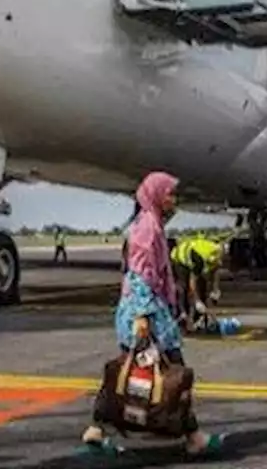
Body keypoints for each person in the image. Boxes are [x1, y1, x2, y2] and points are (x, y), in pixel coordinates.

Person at [80, 172, 225, 457]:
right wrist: (143, 317)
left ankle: (97, 428)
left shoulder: (151, 224)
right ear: (157, 195)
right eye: (169, 194)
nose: (174, 199)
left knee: (128, 368)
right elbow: (138, 275)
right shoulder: (148, 227)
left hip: (145, 310)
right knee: (176, 372)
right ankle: (193, 436)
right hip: (147, 313)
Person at [171, 234, 224, 328]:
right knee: (184, 288)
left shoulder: (216, 252)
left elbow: (215, 271)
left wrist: (216, 289)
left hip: (196, 254)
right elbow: (193, 282)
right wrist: (197, 301)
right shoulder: (199, 260)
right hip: (180, 259)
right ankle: (183, 315)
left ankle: (199, 318)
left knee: (203, 286)